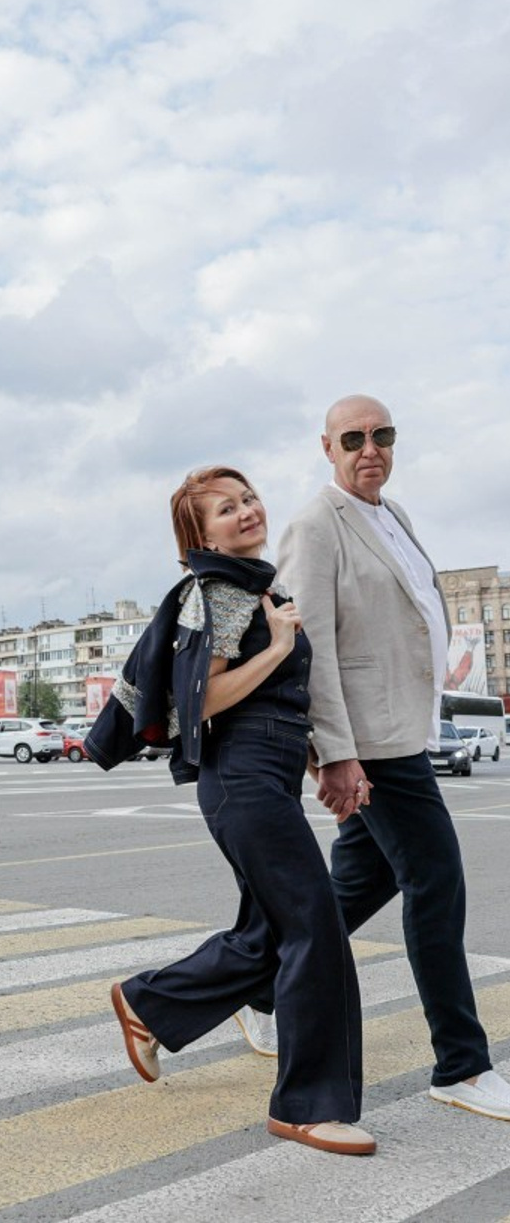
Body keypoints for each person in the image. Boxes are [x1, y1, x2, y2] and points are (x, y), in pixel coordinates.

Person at [94, 466, 374, 1156]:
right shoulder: (219, 590)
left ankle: (150, 1003)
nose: (247, 512)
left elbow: (276, 700)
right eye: (226, 509)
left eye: (248, 498)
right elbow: (204, 702)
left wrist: (317, 763)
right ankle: (306, 1107)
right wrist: (279, 644)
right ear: (200, 534)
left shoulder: (256, 585)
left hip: (264, 777)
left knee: (273, 932)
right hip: (242, 780)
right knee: (316, 931)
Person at [251, 394, 510, 1121]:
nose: (372, 449)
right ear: (328, 447)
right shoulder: (314, 526)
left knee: (352, 889)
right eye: (355, 438)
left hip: (404, 726)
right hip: (371, 741)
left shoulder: (391, 515)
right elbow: (312, 648)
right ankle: (460, 1064)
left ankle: (247, 987)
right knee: (436, 879)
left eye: (384, 436)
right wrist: (333, 753)